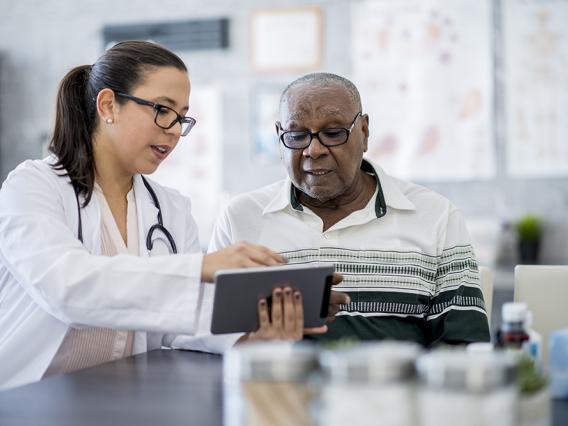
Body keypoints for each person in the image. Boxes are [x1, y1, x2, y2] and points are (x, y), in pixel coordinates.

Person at [0, 41, 326, 390]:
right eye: (162, 110)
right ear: (108, 105)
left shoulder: (170, 208)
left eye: (181, 117)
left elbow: (178, 320)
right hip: (29, 396)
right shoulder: (33, 186)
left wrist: (253, 332)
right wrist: (199, 268)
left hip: (124, 396)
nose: (173, 129)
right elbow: (66, 288)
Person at [185, 72, 490, 352]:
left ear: (365, 132)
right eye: (297, 135)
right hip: (278, 400)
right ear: (279, 137)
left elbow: (463, 345)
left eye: (333, 133)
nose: (313, 150)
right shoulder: (242, 218)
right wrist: (259, 337)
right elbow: (201, 333)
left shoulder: (434, 215)